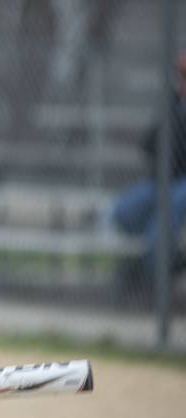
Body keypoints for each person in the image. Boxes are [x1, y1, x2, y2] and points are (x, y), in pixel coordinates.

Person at [111, 52, 186, 291]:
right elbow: (149, 142)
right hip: (163, 179)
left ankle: (151, 271)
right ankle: (153, 259)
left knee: (171, 204)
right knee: (124, 210)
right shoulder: (173, 105)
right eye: (182, 76)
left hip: (182, 184)